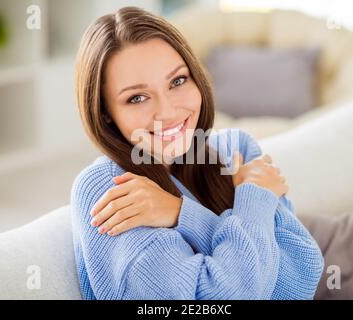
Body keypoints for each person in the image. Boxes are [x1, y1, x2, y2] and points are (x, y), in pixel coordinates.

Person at [71, 6, 324, 300]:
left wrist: (180, 214)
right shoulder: (108, 188)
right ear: (105, 114)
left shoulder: (235, 151)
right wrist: (253, 200)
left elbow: (302, 279)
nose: (167, 112)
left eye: (178, 81)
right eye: (137, 98)